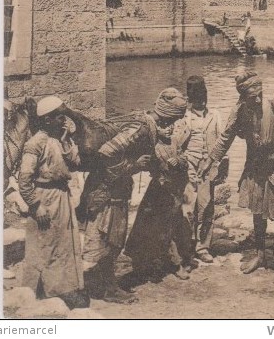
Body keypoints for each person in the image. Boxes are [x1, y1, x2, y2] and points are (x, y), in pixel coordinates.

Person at [80, 87, 187, 302]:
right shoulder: (141, 129)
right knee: (112, 239)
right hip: (108, 191)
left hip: (112, 187)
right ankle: (109, 289)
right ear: (166, 116)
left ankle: (104, 283)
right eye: (173, 120)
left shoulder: (146, 123)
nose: (172, 126)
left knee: (112, 239)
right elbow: (106, 152)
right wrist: (133, 166)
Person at [199, 73, 274, 284]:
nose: (256, 100)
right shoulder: (239, 111)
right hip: (255, 164)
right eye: (252, 97)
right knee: (257, 211)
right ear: (243, 97)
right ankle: (260, 254)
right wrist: (211, 161)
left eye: (259, 95)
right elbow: (225, 137)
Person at [18, 96, 85, 308]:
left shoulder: (61, 139)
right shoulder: (35, 143)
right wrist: (36, 205)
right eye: (59, 117)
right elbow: (24, 179)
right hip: (44, 198)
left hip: (61, 197)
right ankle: (40, 291)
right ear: (47, 120)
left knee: (63, 244)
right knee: (44, 245)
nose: (63, 120)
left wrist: (66, 139)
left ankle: (61, 289)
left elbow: (75, 165)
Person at [124, 113, 192, 280]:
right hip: (157, 190)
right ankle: (146, 264)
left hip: (174, 190)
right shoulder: (151, 145)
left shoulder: (174, 142)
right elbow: (145, 165)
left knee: (171, 227)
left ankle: (175, 263)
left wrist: (178, 160)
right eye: (163, 127)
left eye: (171, 126)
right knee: (149, 227)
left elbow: (185, 160)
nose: (168, 129)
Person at [177, 76, 223, 264]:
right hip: (189, 165)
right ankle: (186, 247)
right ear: (190, 99)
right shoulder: (184, 117)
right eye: (197, 98)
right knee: (188, 208)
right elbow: (178, 144)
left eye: (203, 97)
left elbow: (221, 142)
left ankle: (203, 246)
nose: (201, 101)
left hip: (208, 167)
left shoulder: (215, 115)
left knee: (207, 207)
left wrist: (219, 167)